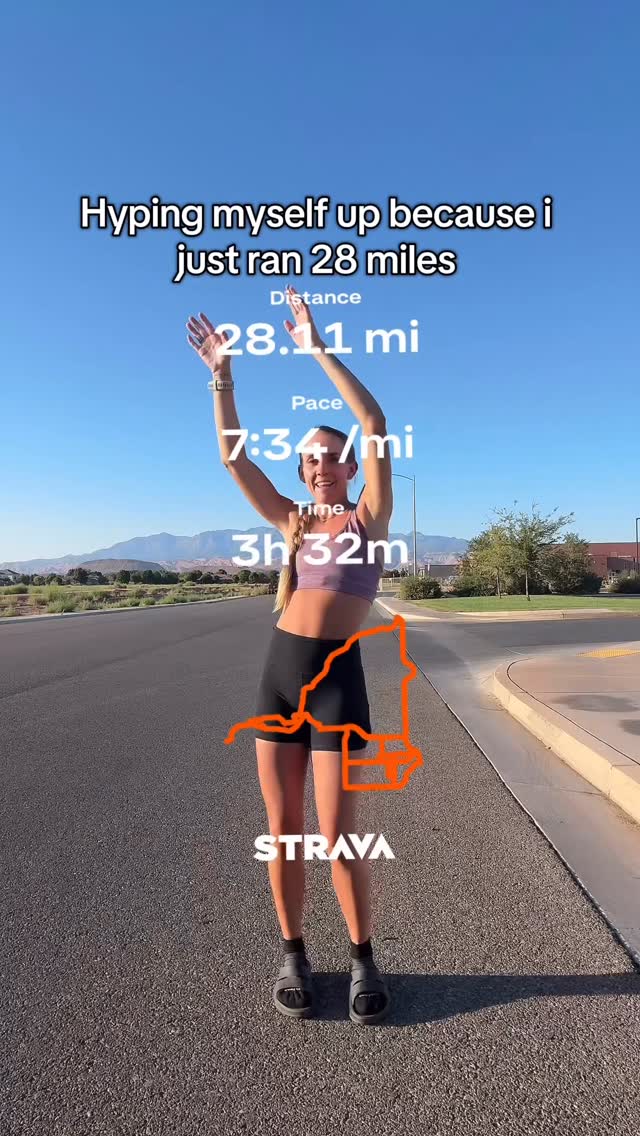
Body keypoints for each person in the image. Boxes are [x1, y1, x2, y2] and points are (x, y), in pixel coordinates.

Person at [187, 286, 393, 1025]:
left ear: (350, 465)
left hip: (337, 683)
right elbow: (234, 461)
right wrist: (222, 378)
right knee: (284, 832)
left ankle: (363, 956)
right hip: (280, 676)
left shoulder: (368, 519)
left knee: (337, 833)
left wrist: (315, 347)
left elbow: (374, 422)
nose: (319, 467)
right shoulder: (294, 522)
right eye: (309, 461)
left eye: (330, 457)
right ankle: (294, 952)